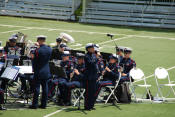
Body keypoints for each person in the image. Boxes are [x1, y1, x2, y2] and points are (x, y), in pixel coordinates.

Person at [29, 35, 52, 109]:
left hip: (38, 71)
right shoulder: (49, 49)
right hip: (46, 71)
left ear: (39, 41)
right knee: (45, 88)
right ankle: (43, 104)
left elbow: (33, 58)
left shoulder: (37, 50)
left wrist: (35, 48)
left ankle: (35, 104)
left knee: (37, 88)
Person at [84, 43, 98, 110]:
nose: (93, 49)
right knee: (88, 92)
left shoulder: (94, 55)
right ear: (88, 49)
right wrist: (97, 58)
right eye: (92, 48)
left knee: (93, 92)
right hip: (89, 76)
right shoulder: (86, 56)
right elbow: (91, 63)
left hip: (94, 76)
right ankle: (87, 106)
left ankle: (91, 105)